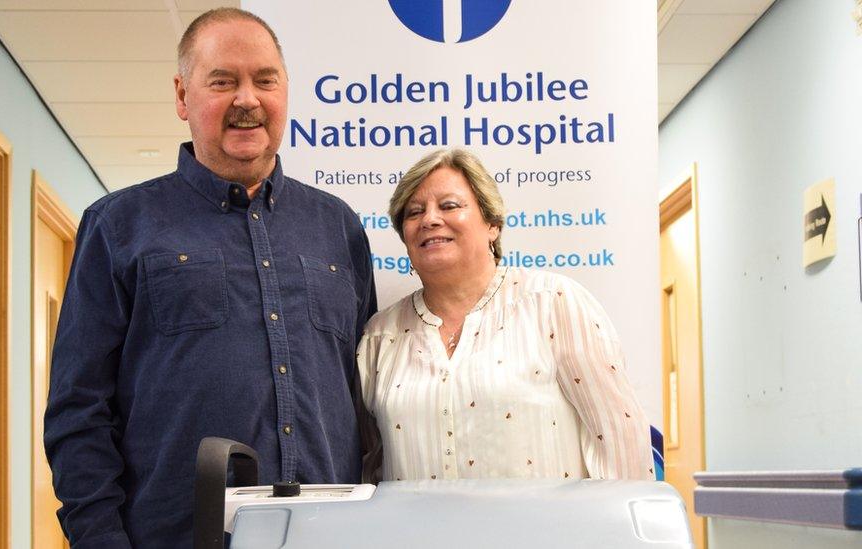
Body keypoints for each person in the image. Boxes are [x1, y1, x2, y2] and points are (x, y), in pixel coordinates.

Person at [44, 8, 377, 548]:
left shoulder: (337, 227)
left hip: (328, 534)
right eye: (222, 81)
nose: (247, 99)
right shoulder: (118, 226)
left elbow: (366, 398)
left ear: (284, 92)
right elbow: (77, 409)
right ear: (182, 96)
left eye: (264, 80)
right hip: (173, 535)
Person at [357, 148, 653, 482]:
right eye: (413, 212)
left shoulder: (553, 304)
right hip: (416, 534)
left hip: (545, 534)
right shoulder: (381, 336)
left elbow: (620, 443)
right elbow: (370, 469)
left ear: (492, 223)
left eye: (449, 205)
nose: (429, 219)